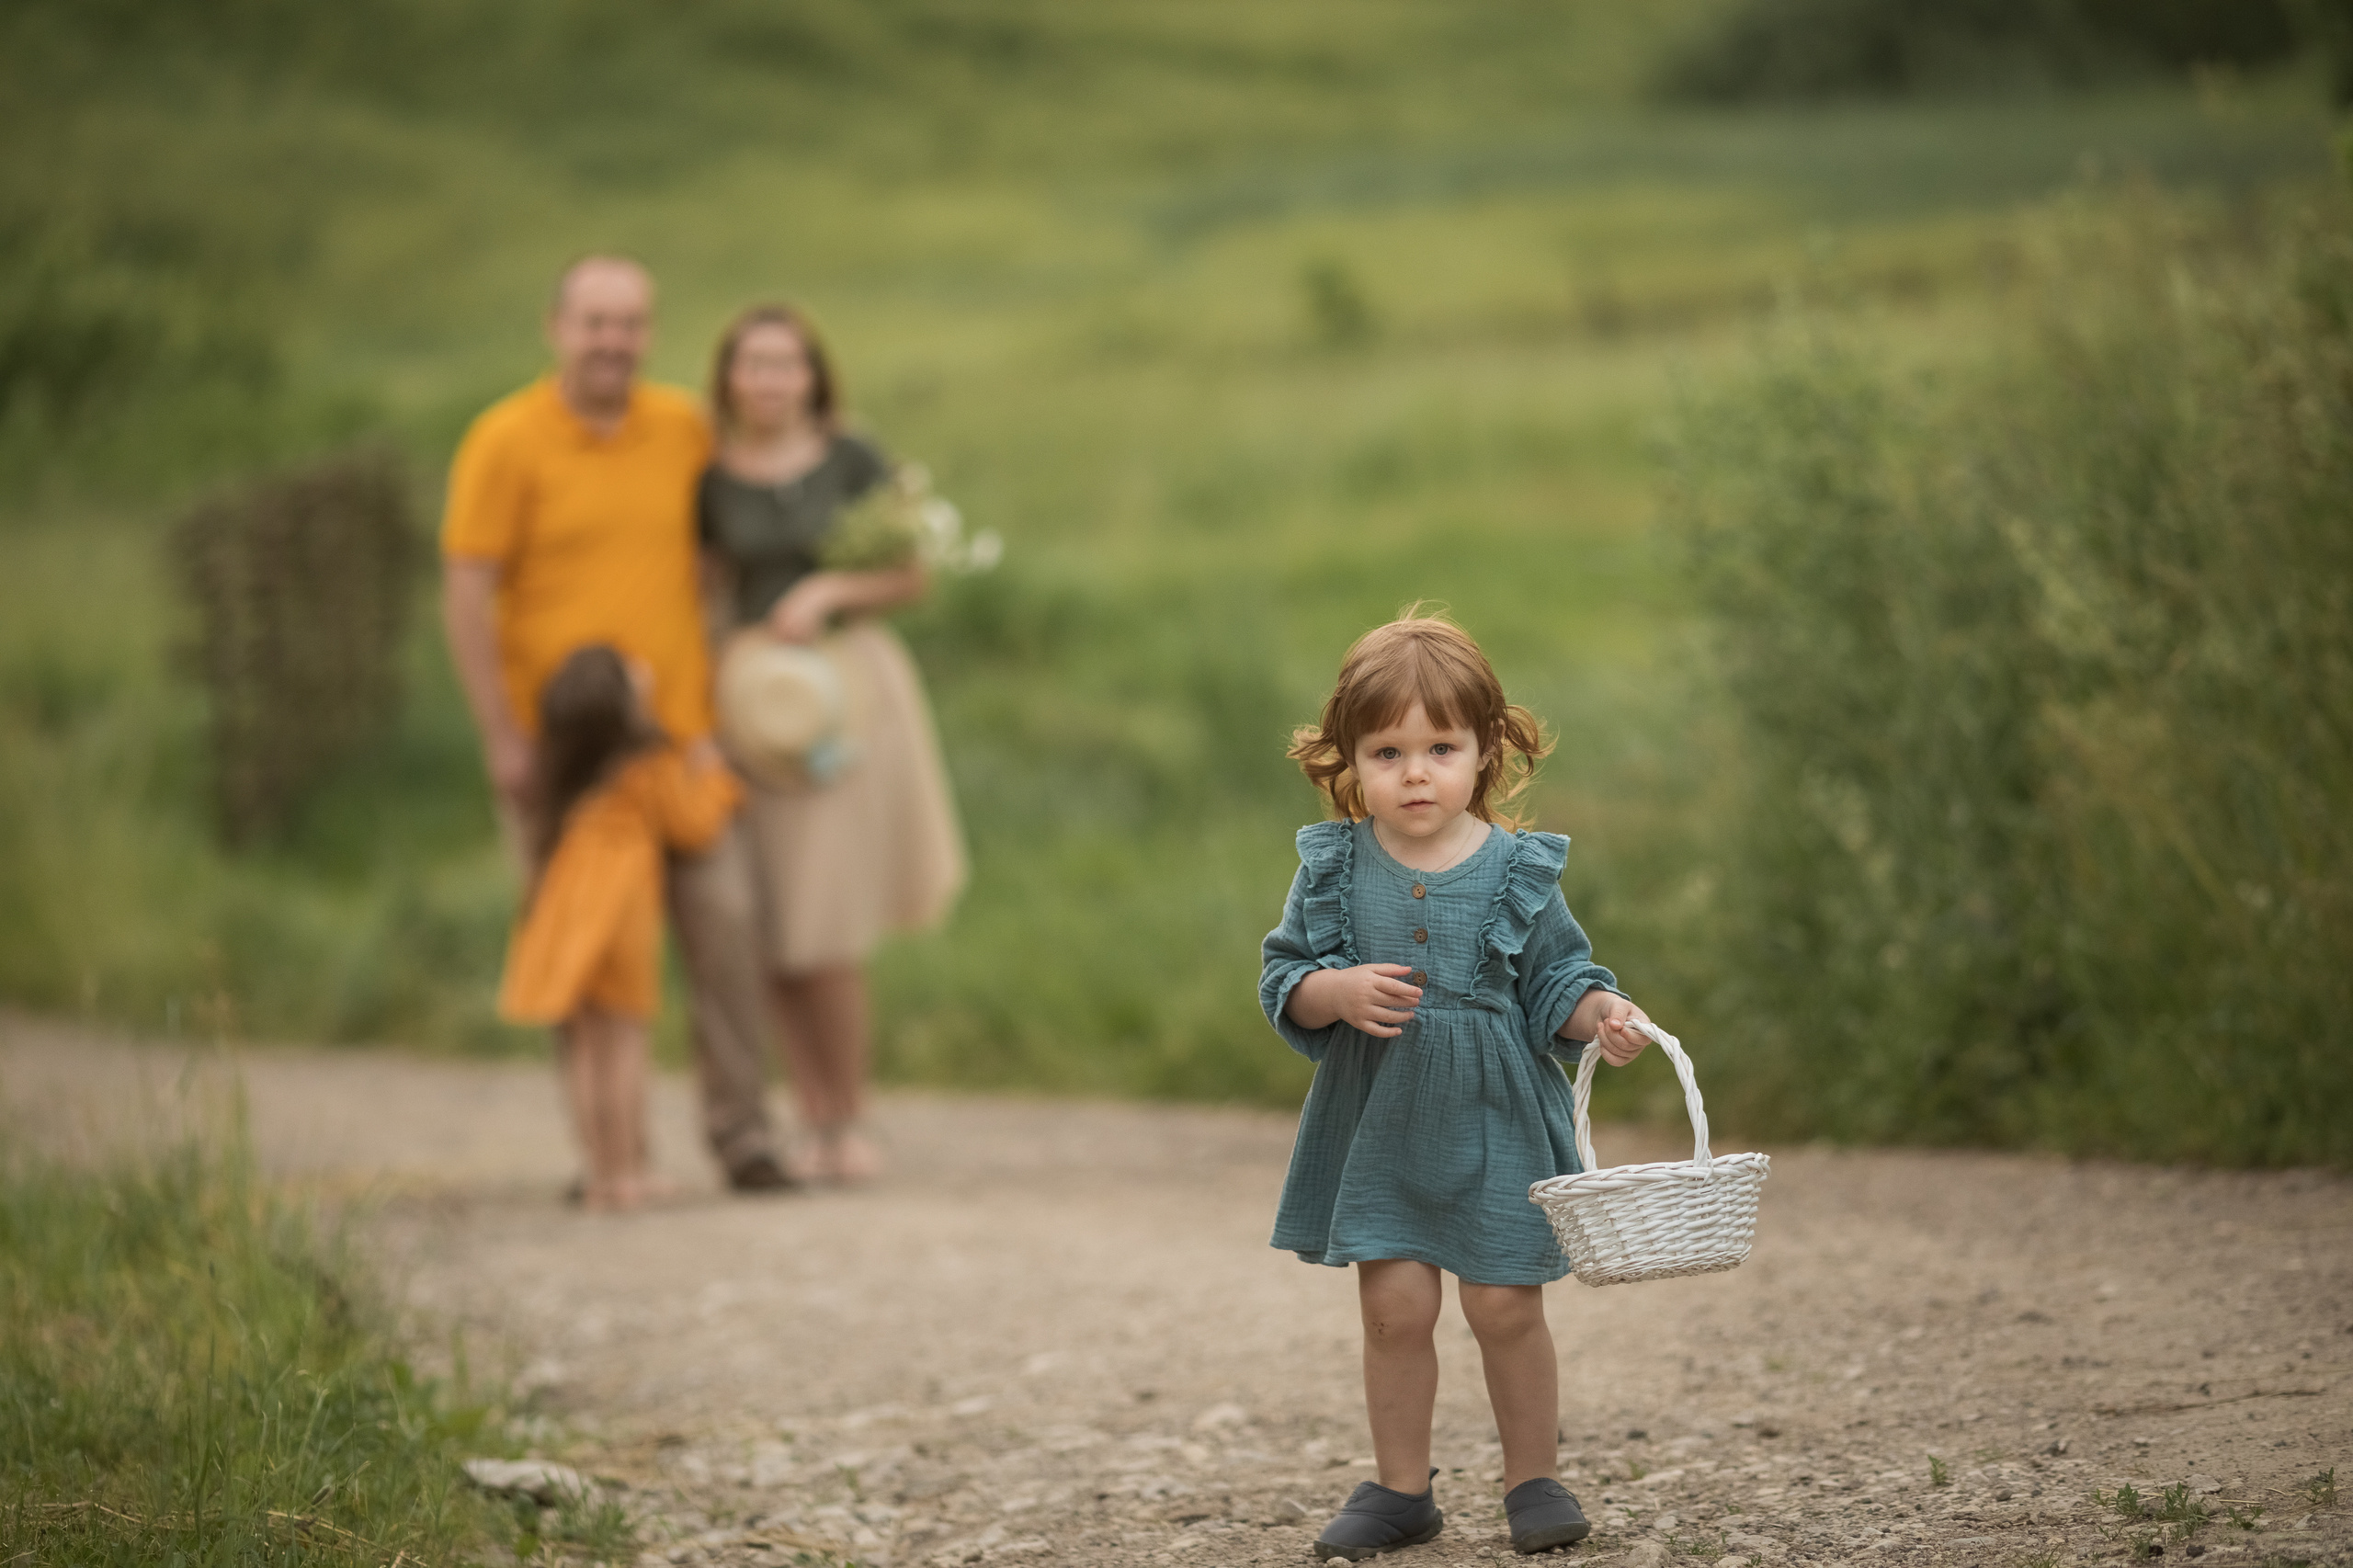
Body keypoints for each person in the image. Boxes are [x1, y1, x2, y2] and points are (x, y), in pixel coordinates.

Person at [1259, 611, 1657, 1561]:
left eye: (1441, 746)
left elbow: (1556, 978)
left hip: (1496, 1118)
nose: (1414, 771)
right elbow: (1283, 979)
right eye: (1386, 749)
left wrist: (1599, 1011)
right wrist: (1334, 989)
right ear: (1351, 758)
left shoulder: (1516, 869)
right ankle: (1402, 1489)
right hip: (1381, 1121)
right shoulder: (1333, 865)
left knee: (1505, 1304)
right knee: (1394, 1309)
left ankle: (1533, 1476)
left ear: (1483, 751)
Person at [441, 256, 793, 1193]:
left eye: (630, 323)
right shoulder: (505, 440)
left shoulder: (681, 427)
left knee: (725, 923)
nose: (613, 342)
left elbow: (725, 552)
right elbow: (467, 594)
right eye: (596, 322)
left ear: (649, 333)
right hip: (564, 756)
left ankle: (742, 1134)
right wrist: (501, 736)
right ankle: (603, 1153)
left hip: (678, 744)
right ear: (556, 327)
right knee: (581, 954)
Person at [698, 304, 967, 1183]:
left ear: (813, 375)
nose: (771, 380)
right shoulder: (708, 475)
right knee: (775, 923)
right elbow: (705, 589)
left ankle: (852, 1113)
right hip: (756, 704)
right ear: (729, 377)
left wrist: (826, 592)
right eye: (755, 364)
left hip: (847, 696)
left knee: (831, 914)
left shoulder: (853, 455)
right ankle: (809, 1116)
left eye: (788, 364)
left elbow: (913, 573)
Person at [497, 647, 743, 1211]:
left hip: (566, 914)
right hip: (621, 917)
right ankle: (631, 1170)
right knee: (626, 1040)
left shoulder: (565, 779)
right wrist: (714, 777)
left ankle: (600, 1173)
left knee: (586, 1043)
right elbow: (694, 827)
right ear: (625, 709)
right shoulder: (647, 765)